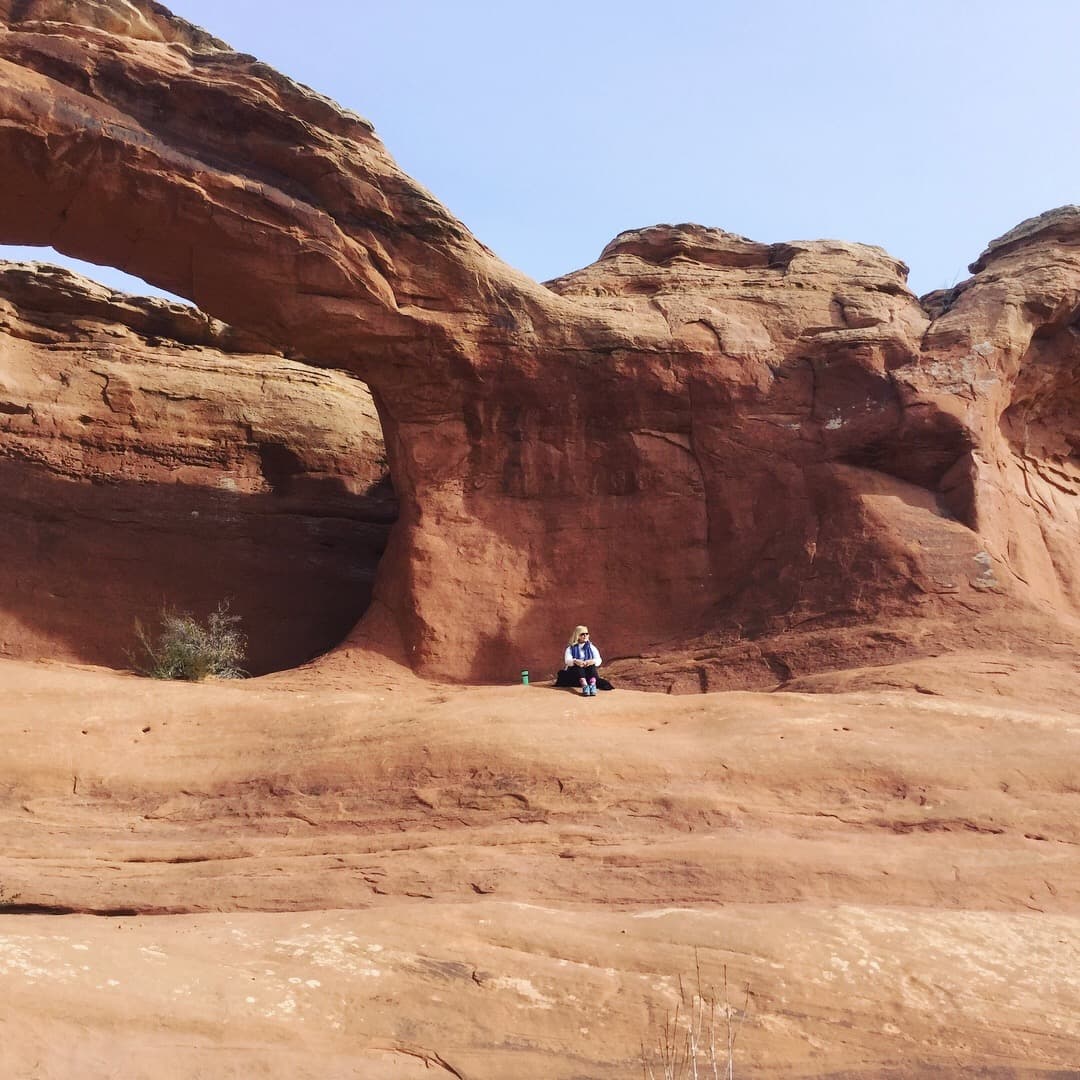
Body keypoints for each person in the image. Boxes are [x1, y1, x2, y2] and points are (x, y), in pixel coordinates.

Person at [563, 624, 602, 696]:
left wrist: (592, 661)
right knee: (578, 666)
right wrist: (575, 661)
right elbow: (567, 660)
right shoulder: (571, 648)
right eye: (582, 634)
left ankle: (592, 685)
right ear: (577, 636)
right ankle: (584, 685)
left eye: (587, 634)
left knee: (592, 665)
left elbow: (598, 659)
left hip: (587, 671)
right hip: (575, 673)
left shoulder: (591, 647)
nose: (585, 636)